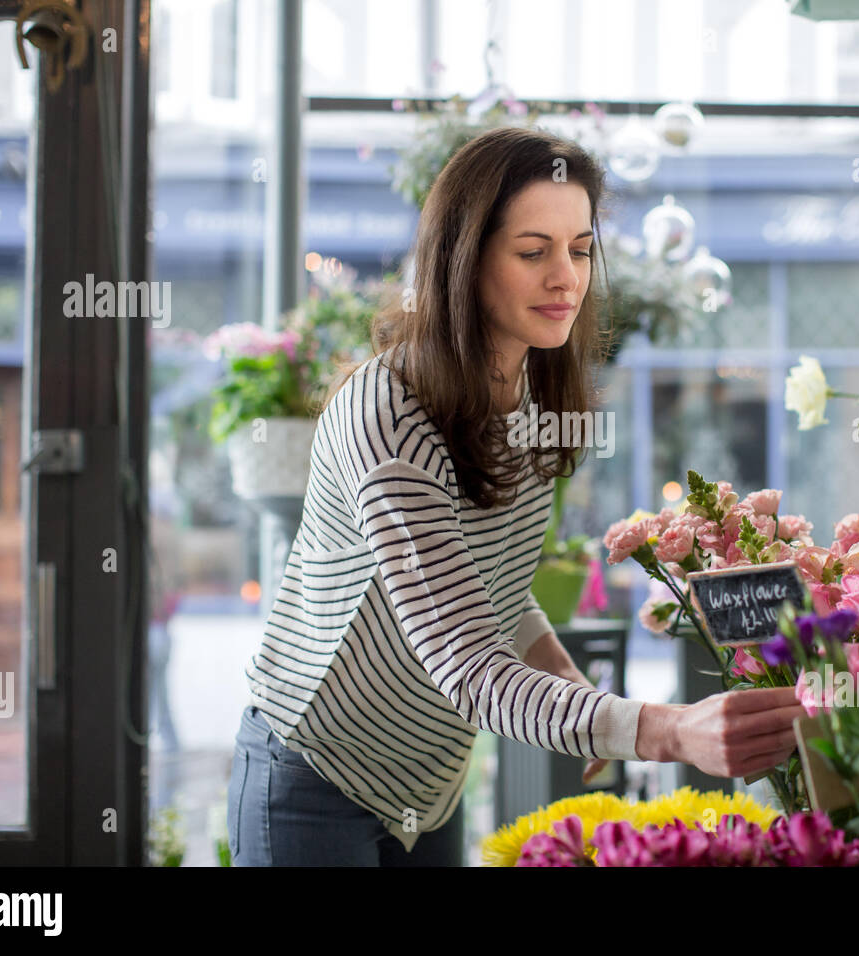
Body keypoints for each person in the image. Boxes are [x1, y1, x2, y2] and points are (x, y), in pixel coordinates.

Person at [226, 126, 804, 867]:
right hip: (312, 773)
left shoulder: (532, 389)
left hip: (427, 778)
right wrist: (664, 729)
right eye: (533, 252)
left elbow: (492, 585)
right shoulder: (388, 410)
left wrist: (564, 679)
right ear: (463, 261)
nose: (565, 277)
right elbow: (468, 662)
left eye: (581, 250)